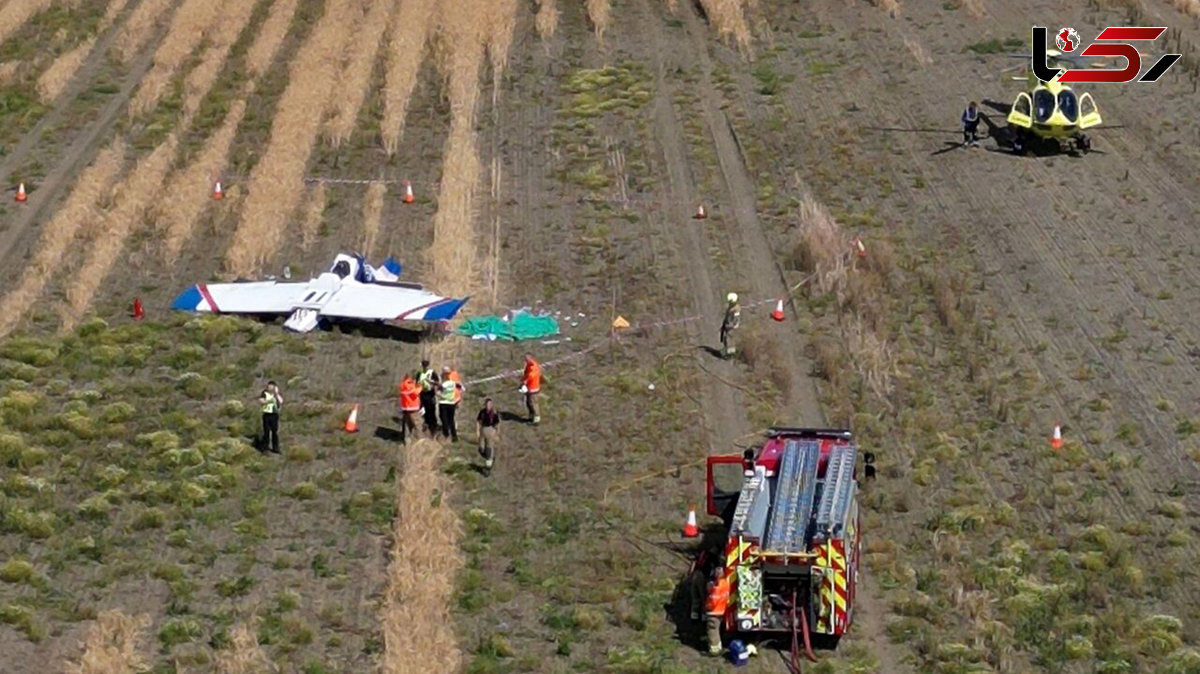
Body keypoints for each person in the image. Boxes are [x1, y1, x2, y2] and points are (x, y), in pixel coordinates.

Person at [705, 566, 731, 656]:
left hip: (714, 612)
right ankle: (719, 647)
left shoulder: (715, 586)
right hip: (722, 610)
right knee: (717, 629)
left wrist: (707, 607)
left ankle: (714, 651)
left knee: (712, 630)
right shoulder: (726, 583)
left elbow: (712, 600)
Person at [257, 381, 283, 454]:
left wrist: (276, 394)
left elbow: (281, 401)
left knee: (275, 432)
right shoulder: (264, 393)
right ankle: (265, 448)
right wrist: (269, 401)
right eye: (269, 386)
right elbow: (261, 401)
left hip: (274, 414)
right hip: (267, 414)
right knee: (266, 432)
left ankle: (276, 448)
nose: (270, 387)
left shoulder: (276, 395)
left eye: (271, 386)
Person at [437, 367, 461, 442]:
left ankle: (446, 434)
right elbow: (461, 388)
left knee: (444, 419)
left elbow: (439, 392)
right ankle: (454, 436)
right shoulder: (453, 383)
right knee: (451, 420)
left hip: (444, 403)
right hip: (451, 403)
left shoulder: (444, 384)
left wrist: (437, 393)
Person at [476, 397, 500, 471]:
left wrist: (497, 434)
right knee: (481, 448)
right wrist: (477, 431)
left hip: (491, 430)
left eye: (489, 404)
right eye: (487, 404)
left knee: (489, 448)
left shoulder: (494, 414)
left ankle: (488, 465)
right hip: (483, 429)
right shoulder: (482, 412)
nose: (488, 406)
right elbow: (478, 421)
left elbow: (497, 424)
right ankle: (489, 458)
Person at [417, 359, 439, 436]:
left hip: (430, 393)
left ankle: (433, 427)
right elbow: (417, 384)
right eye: (424, 366)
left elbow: (437, 382)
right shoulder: (420, 374)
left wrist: (432, 383)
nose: (425, 367)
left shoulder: (432, 373)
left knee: (432, 410)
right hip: (423, 394)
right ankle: (426, 424)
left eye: (426, 366)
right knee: (424, 411)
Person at [398, 373, 422, 443]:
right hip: (413, 407)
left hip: (405, 407)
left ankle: (407, 440)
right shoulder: (410, 385)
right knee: (417, 424)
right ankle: (419, 440)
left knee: (407, 425)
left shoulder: (402, 385)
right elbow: (415, 393)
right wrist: (420, 387)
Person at [521, 353, 542, 424]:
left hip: (533, 388)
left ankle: (536, 418)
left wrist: (525, 382)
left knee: (533, 403)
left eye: (527, 359)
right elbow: (526, 374)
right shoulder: (529, 365)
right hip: (529, 387)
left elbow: (530, 376)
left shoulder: (533, 366)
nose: (525, 360)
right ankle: (531, 416)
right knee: (528, 402)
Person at [719, 292, 741, 359]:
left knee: (729, 339)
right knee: (725, 338)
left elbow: (736, 319)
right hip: (728, 325)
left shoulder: (736, 309)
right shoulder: (730, 307)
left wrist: (733, 326)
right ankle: (728, 351)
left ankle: (730, 353)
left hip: (731, 327)